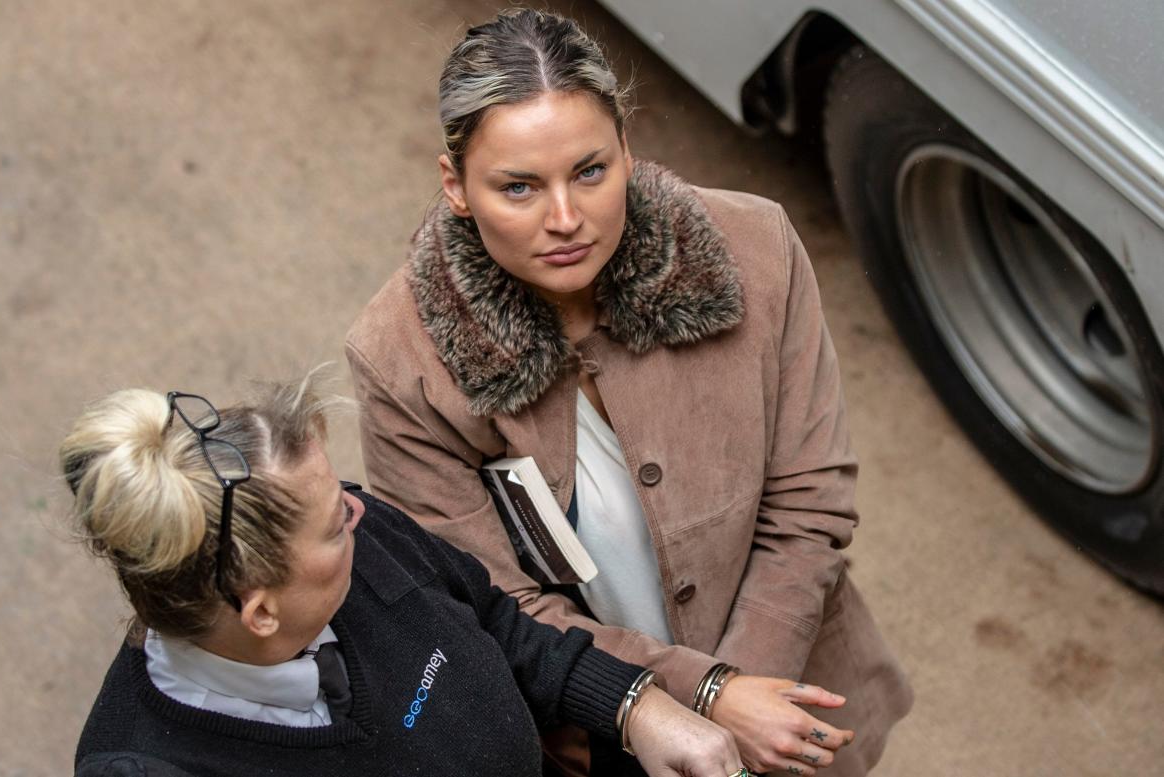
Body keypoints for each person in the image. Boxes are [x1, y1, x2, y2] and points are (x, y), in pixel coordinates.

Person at [344, 9, 913, 777]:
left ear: (626, 149)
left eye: (590, 170)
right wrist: (704, 698)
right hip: (602, 735)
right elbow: (491, 600)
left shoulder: (759, 247)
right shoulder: (400, 360)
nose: (566, 219)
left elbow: (808, 501)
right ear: (457, 186)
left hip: (794, 704)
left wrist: (746, 700)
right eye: (519, 187)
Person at [61, 376, 847, 777]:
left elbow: (500, 628)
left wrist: (641, 708)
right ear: (260, 611)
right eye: (333, 523)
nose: (361, 514)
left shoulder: (367, 545)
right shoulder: (144, 766)